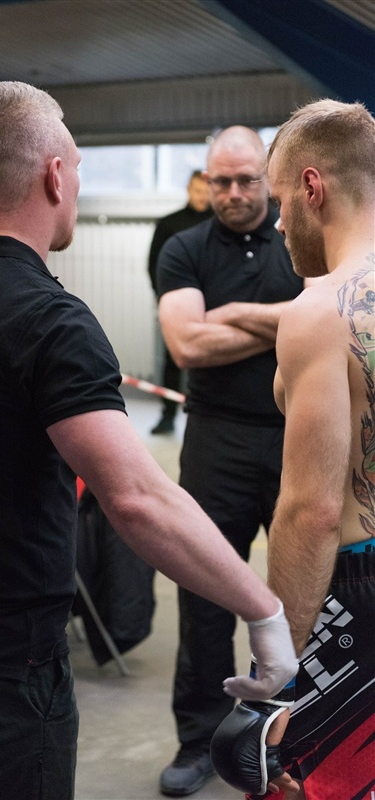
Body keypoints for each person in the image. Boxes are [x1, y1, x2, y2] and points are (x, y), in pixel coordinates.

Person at [0, 81, 298, 800]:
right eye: (78, 168)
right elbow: (137, 499)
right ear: (55, 175)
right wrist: (262, 610)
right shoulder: (49, 321)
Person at [156, 125, 312, 796]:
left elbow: (330, 321)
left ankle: (296, 739)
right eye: (219, 181)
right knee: (204, 594)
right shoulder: (183, 248)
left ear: (269, 178)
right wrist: (287, 321)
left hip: (297, 437)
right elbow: (187, 345)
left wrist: (237, 313)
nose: (233, 193)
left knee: (307, 593)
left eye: (247, 180)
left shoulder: (302, 243)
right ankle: (200, 740)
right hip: (215, 439)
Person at [242, 98, 374, 800]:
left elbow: (312, 513)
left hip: (357, 601)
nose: (278, 223)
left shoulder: (321, 313)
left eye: (279, 201)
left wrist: (275, 679)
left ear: (312, 187)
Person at [148, 170, 212, 434]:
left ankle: (209, 417)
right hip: (177, 305)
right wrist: (166, 301)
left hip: (214, 306)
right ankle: (168, 416)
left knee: (213, 361)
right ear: (188, 190)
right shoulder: (169, 224)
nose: (202, 196)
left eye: (206, 191)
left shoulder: (220, 223)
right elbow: (154, 266)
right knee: (172, 360)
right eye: (197, 190)